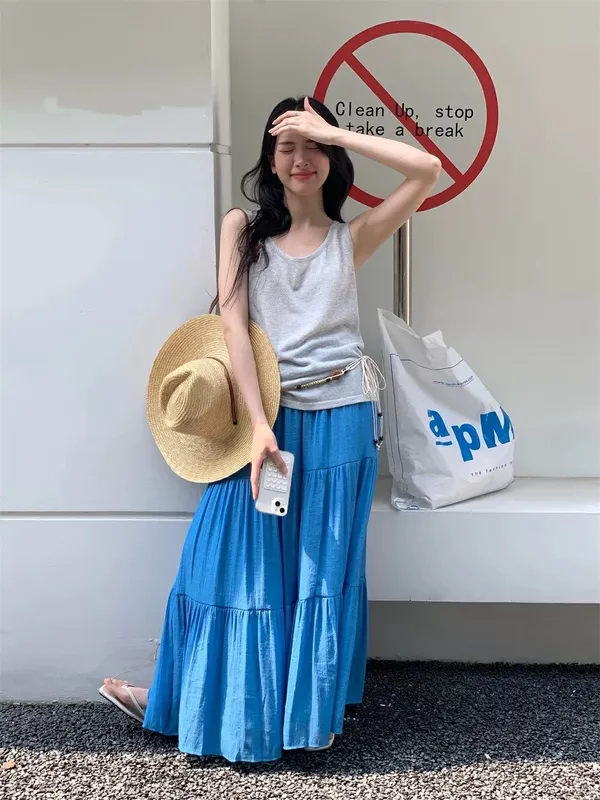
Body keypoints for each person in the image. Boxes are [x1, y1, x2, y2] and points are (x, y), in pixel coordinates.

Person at [100, 95, 441, 762]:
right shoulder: (242, 230)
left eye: (312, 146)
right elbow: (232, 328)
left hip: (341, 420)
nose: (300, 157)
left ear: (331, 157)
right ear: (269, 159)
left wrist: (332, 130)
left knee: (318, 571)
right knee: (223, 558)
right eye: (286, 145)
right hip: (267, 418)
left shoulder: (350, 239)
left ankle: (305, 717)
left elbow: (426, 169)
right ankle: (184, 696)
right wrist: (258, 426)